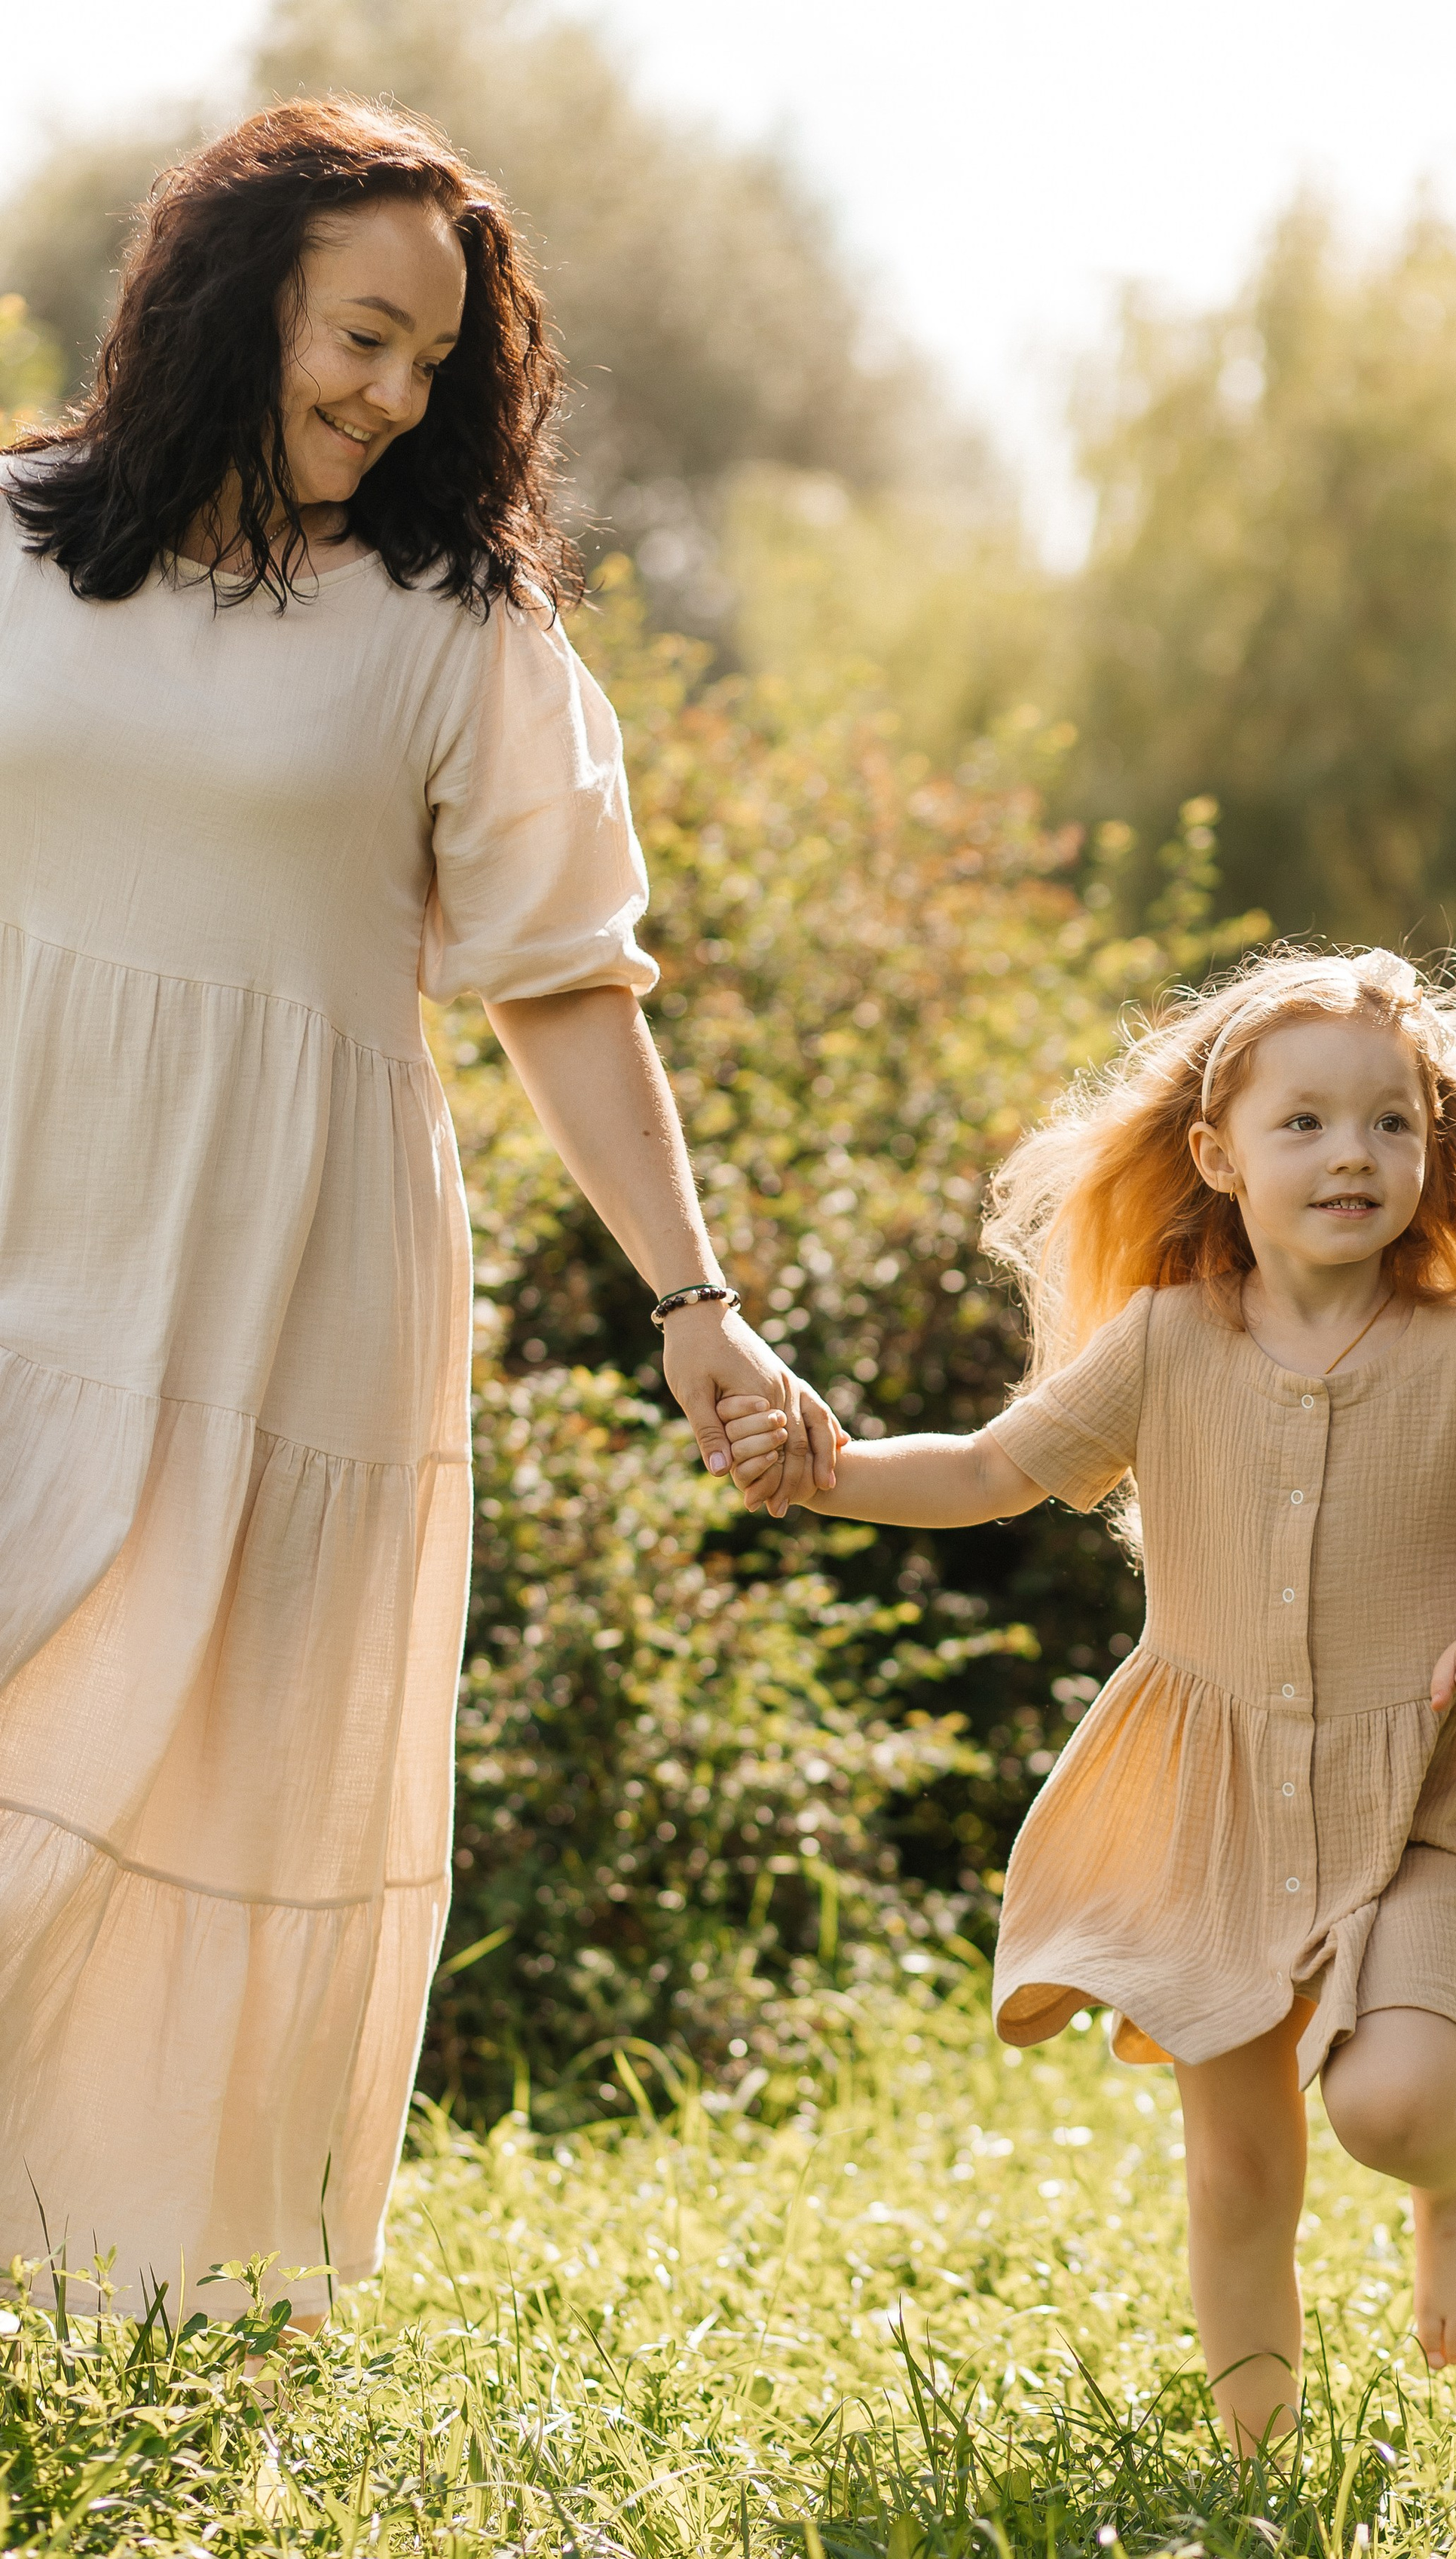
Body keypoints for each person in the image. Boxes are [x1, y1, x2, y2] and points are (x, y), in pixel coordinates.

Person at [0, 97, 835, 2334]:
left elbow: (568, 991)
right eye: (361, 335)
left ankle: (141, 2289)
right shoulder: (5, 531)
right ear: (237, 289)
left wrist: (695, 1301)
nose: (389, 394)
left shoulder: (456, 633)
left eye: (431, 367)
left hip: (279, 1266)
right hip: (22, 1194)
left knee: (189, 1744)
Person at [722, 946, 1456, 2450]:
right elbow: (986, 1471)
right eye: (1302, 1124)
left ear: (1430, 1154)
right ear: (1215, 1156)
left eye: (1388, 1124)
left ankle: (1451, 2182)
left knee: (1387, 2100)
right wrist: (828, 1475)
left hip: (1421, 1795)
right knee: (1239, 2178)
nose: (1349, 1154)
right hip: (1215, 1809)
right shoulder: (1166, 1341)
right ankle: (1258, 2460)